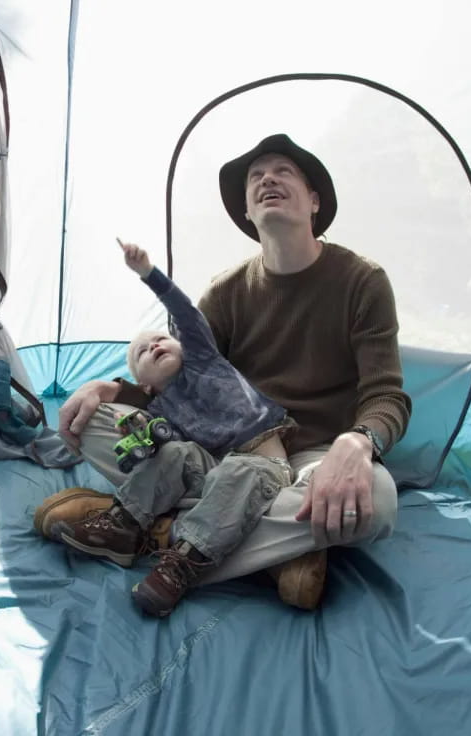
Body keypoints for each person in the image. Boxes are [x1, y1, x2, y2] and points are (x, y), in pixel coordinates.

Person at [39, 133, 412, 611]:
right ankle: (277, 556)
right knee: (93, 420)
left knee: (376, 502)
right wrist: (109, 387)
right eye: (256, 177)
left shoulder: (362, 281)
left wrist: (358, 443)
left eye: (283, 171)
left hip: (313, 460)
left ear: (314, 200)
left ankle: (154, 532)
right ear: (248, 211)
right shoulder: (225, 292)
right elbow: (183, 383)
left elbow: (388, 395)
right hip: (223, 456)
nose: (267, 179)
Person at [54, 239, 296, 617]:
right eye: (141, 352)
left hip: (265, 467)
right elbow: (161, 450)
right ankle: (124, 524)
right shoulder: (159, 406)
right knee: (174, 451)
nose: (152, 347)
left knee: (239, 470)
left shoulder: (203, 359)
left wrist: (148, 273)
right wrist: (136, 428)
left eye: (159, 340)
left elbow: (185, 314)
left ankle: (182, 563)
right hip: (216, 473)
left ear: (181, 345)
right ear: (144, 384)